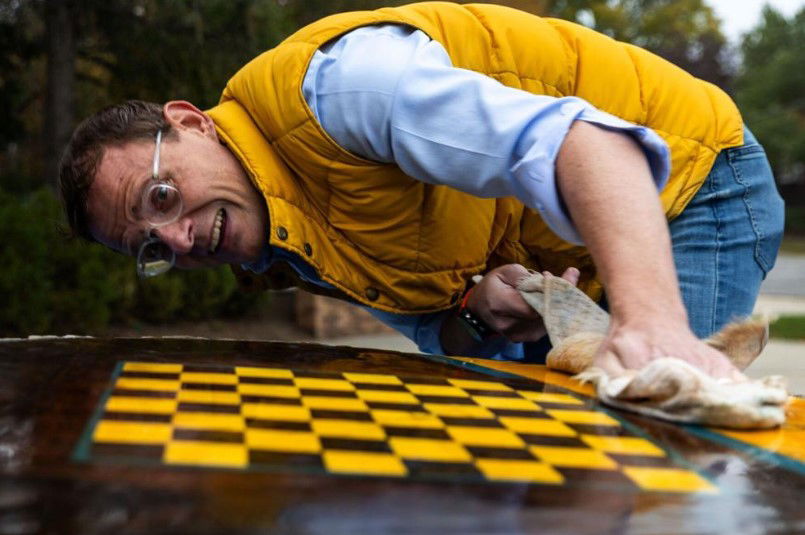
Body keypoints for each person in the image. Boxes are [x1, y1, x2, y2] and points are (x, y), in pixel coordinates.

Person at [58, 2, 784, 379]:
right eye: (152, 247)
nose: (180, 238)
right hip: (575, 243)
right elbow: (441, 327)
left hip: (690, 180)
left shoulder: (342, 89)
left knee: (656, 441)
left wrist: (648, 319)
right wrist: (475, 305)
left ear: (191, 123)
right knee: (535, 464)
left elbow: (589, 144)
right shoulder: (278, 237)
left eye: (160, 198)